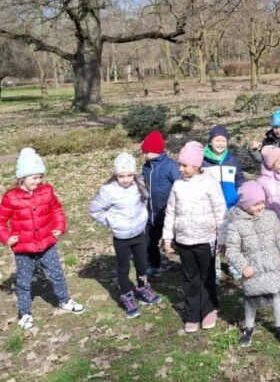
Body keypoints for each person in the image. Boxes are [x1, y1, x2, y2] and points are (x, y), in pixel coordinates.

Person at [0, 148, 85, 330]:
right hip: (23, 249)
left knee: (57, 274)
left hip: (47, 244)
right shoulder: (11, 197)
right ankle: (25, 313)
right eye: (34, 178)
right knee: (24, 282)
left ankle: (64, 300)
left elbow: (57, 210)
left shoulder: (46, 191)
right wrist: (7, 237)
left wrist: (59, 227)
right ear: (22, 177)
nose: (38, 181)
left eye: (40, 177)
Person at [162, 141, 227, 333]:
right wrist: (167, 238)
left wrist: (223, 238)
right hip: (184, 241)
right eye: (179, 165)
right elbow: (170, 212)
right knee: (190, 278)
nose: (180, 169)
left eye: (185, 165)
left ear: (197, 165)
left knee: (207, 276)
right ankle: (192, 313)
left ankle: (208, 309)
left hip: (206, 240)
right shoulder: (178, 185)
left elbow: (221, 211)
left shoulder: (210, 183)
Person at [89, 152, 162, 318]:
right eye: (121, 176)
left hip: (139, 234)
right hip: (122, 238)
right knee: (124, 267)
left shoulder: (139, 184)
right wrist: (113, 222)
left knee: (142, 264)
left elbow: (144, 201)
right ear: (115, 175)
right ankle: (127, 297)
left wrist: (142, 217)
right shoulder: (108, 191)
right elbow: (95, 210)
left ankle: (143, 289)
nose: (126, 179)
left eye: (129, 175)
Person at [225, 182, 280, 347]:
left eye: (262, 202)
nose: (261, 207)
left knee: (276, 296)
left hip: (272, 267)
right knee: (251, 301)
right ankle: (248, 328)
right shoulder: (236, 224)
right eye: (255, 204)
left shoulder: (270, 217)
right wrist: (243, 266)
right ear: (245, 205)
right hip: (252, 271)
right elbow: (232, 250)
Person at [203, 125, 245, 282]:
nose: (220, 143)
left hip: (231, 206)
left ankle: (234, 265)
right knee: (213, 240)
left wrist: (241, 194)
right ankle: (214, 269)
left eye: (223, 140)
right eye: (217, 140)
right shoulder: (204, 161)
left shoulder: (232, 159)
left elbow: (239, 178)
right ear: (210, 142)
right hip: (211, 209)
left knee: (232, 239)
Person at [140, 130, 179, 276]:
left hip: (168, 213)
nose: (144, 154)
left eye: (146, 151)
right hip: (151, 214)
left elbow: (179, 186)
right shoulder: (146, 167)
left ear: (156, 150)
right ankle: (155, 266)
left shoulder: (171, 166)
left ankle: (188, 266)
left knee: (180, 242)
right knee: (149, 242)